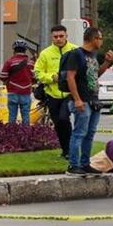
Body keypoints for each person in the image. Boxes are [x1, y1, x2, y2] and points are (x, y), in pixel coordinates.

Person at [63, 27, 113, 176]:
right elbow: (70, 77)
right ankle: (73, 165)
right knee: (79, 133)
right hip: (82, 100)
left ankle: (85, 163)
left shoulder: (93, 56)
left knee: (90, 133)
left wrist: (106, 63)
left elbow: (94, 75)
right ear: (93, 39)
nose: (101, 42)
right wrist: (77, 99)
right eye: (100, 38)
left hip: (93, 100)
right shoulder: (76, 54)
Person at [34, 25, 78, 158]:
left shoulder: (75, 50)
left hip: (70, 93)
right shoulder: (45, 53)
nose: (58, 39)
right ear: (51, 37)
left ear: (66, 36)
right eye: (55, 37)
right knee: (58, 123)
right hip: (52, 94)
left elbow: (82, 70)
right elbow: (37, 73)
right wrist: (51, 77)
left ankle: (70, 150)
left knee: (64, 119)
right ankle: (65, 150)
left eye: (61, 36)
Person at [0, 41, 35, 124]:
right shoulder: (31, 63)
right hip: (26, 92)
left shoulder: (9, 62)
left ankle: (12, 131)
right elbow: (34, 77)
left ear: (14, 50)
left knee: (12, 115)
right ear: (25, 50)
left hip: (13, 92)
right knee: (26, 115)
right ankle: (26, 131)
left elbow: (3, 76)